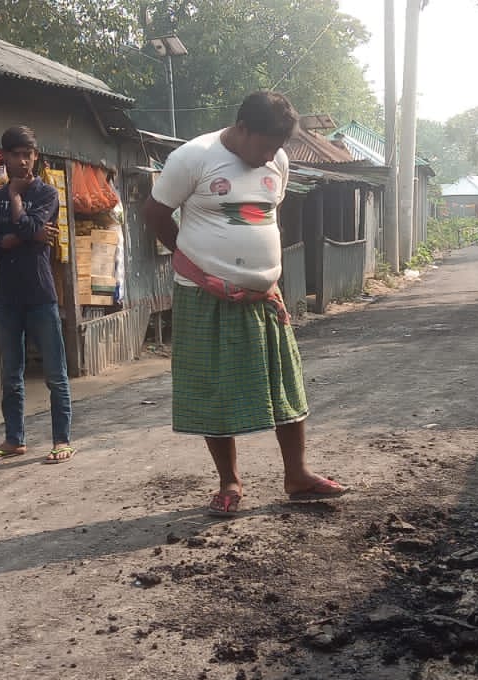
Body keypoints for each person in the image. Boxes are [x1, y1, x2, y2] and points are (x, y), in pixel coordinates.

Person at [141, 91, 345, 517]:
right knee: (216, 389)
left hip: (265, 298)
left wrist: (266, 278)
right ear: (242, 128)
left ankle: (297, 475)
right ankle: (230, 483)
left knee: (285, 384)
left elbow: (268, 214)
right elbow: (156, 214)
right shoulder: (192, 157)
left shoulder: (278, 162)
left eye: (278, 147)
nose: (271, 155)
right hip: (204, 296)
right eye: (266, 145)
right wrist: (197, 265)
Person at [0, 125, 75, 466]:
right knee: (11, 374)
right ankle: (13, 439)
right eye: (16, 154)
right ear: (5, 157)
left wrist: (17, 199)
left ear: (36, 156)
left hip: (41, 293)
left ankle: (61, 439)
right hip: (7, 297)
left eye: (28, 154)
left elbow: (33, 229)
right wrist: (19, 237)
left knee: (54, 373)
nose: (23, 161)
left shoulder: (47, 194)